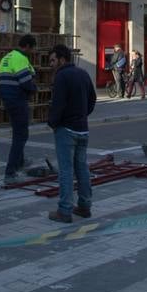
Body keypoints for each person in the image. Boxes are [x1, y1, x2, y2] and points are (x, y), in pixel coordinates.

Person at [46, 44, 96, 224]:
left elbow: (57, 105)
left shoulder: (61, 76)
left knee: (66, 171)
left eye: (53, 60)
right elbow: (92, 100)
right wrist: (82, 116)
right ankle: (84, 206)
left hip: (66, 130)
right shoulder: (83, 74)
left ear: (62, 59)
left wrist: (52, 122)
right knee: (82, 168)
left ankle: (64, 210)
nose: (51, 64)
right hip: (82, 129)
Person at [0, 34, 38, 185]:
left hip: (8, 100)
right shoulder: (21, 58)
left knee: (18, 133)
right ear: (27, 46)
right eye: (33, 48)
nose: (33, 52)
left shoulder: (7, 57)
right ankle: (11, 172)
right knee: (21, 135)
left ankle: (20, 161)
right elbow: (26, 82)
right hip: (18, 100)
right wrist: (34, 88)